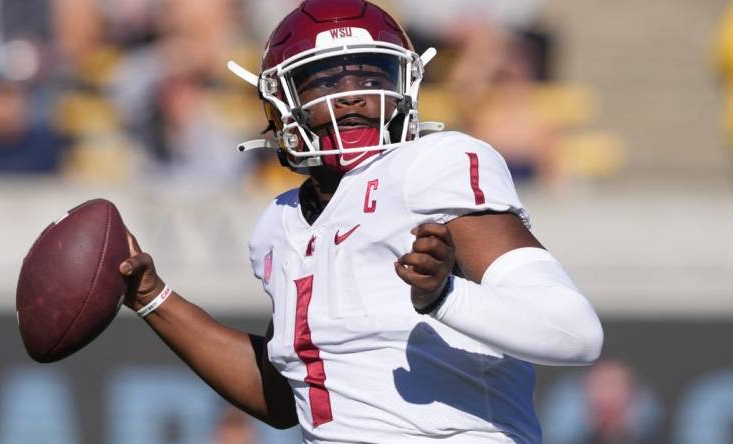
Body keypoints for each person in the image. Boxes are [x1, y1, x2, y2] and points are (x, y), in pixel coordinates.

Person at [119, 1, 603, 443]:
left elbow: (575, 331)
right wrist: (151, 298)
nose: (351, 96)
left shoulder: (433, 165)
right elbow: (288, 395)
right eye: (326, 81)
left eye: (371, 75)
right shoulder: (277, 224)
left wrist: (446, 296)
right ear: (282, 102)